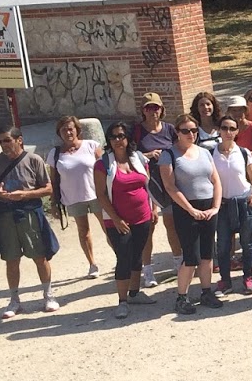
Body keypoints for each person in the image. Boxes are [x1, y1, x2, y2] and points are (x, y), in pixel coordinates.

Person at [0, 124, 58, 319]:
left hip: (29, 213)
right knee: (11, 259)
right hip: (5, 215)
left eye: (7, 140)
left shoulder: (34, 160)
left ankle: (48, 295)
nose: (4, 145)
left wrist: (25, 195)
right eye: (0, 141)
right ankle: (14, 300)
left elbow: (48, 188)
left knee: (40, 256)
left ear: (19, 140)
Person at [160, 112, 224, 316]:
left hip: (208, 207)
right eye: (186, 131)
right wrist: (190, 209)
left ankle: (206, 292)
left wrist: (215, 207)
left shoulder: (204, 152)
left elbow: (215, 180)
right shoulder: (168, 155)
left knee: (207, 254)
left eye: (194, 130)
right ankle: (182, 297)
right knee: (191, 256)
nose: (191, 134)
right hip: (185, 209)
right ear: (177, 132)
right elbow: (170, 187)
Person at [95, 123, 154, 319]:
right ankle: (122, 301)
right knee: (123, 257)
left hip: (142, 216)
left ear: (128, 138)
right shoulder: (103, 164)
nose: (117, 140)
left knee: (137, 255)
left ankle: (134, 293)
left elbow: (148, 186)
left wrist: (153, 208)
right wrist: (116, 219)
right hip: (117, 220)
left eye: (121, 136)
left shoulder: (139, 158)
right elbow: (101, 195)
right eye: (113, 137)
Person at [210, 115, 252, 295]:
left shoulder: (243, 152)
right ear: (219, 130)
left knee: (247, 244)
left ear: (237, 131)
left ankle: (248, 278)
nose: (228, 132)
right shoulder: (211, 154)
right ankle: (225, 281)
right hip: (223, 204)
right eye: (224, 128)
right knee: (223, 245)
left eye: (232, 128)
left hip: (244, 202)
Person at [48, 115, 102, 279]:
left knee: (109, 227)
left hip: (96, 194)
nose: (68, 133)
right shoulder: (55, 154)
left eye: (70, 129)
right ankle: (92, 264)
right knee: (83, 231)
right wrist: (54, 203)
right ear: (59, 133)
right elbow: (53, 180)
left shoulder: (91, 146)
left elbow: (105, 169)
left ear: (77, 130)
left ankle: (121, 258)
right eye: (63, 130)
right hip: (72, 197)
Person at [133, 91, 179, 280]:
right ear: (143, 111)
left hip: (168, 182)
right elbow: (129, 156)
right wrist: (148, 156)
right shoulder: (136, 131)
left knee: (171, 224)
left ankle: (178, 263)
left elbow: (179, 150)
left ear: (161, 109)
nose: (153, 111)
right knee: (148, 227)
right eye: (148, 108)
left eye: (156, 107)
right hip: (146, 184)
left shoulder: (169, 129)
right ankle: (148, 271)